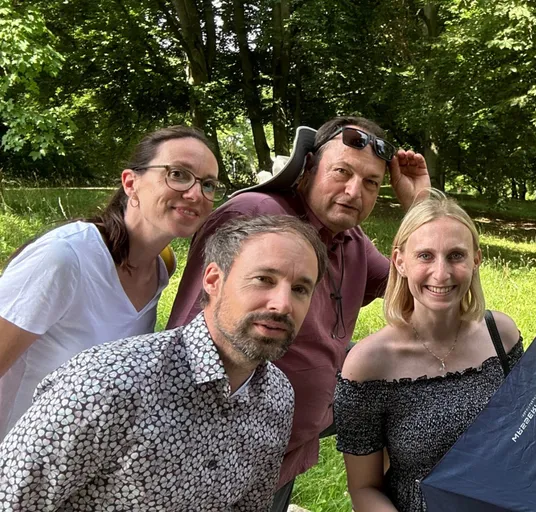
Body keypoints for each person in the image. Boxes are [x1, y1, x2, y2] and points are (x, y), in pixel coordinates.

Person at [166, 116, 431, 509]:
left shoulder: (351, 241)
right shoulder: (257, 215)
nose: (354, 191)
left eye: (371, 182)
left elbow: (427, 281)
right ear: (307, 169)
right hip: (221, 461)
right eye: (341, 172)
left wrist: (420, 206)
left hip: (286, 452)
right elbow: (190, 338)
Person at [0, 215, 328, 510]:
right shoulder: (108, 382)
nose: (283, 304)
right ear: (213, 280)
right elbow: (10, 497)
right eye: (264, 279)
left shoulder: (278, 398)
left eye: (300, 289)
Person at [0, 125, 220, 440]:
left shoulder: (161, 268)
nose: (196, 193)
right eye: (178, 174)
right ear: (131, 183)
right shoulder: (64, 259)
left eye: (208, 184)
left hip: (75, 468)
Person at [334, 189, 523, 512]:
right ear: (400, 261)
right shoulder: (368, 364)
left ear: (476, 259)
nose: (441, 273)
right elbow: (364, 489)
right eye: (425, 256)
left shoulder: (501, 336)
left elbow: (526, 434)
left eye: (456, 256)